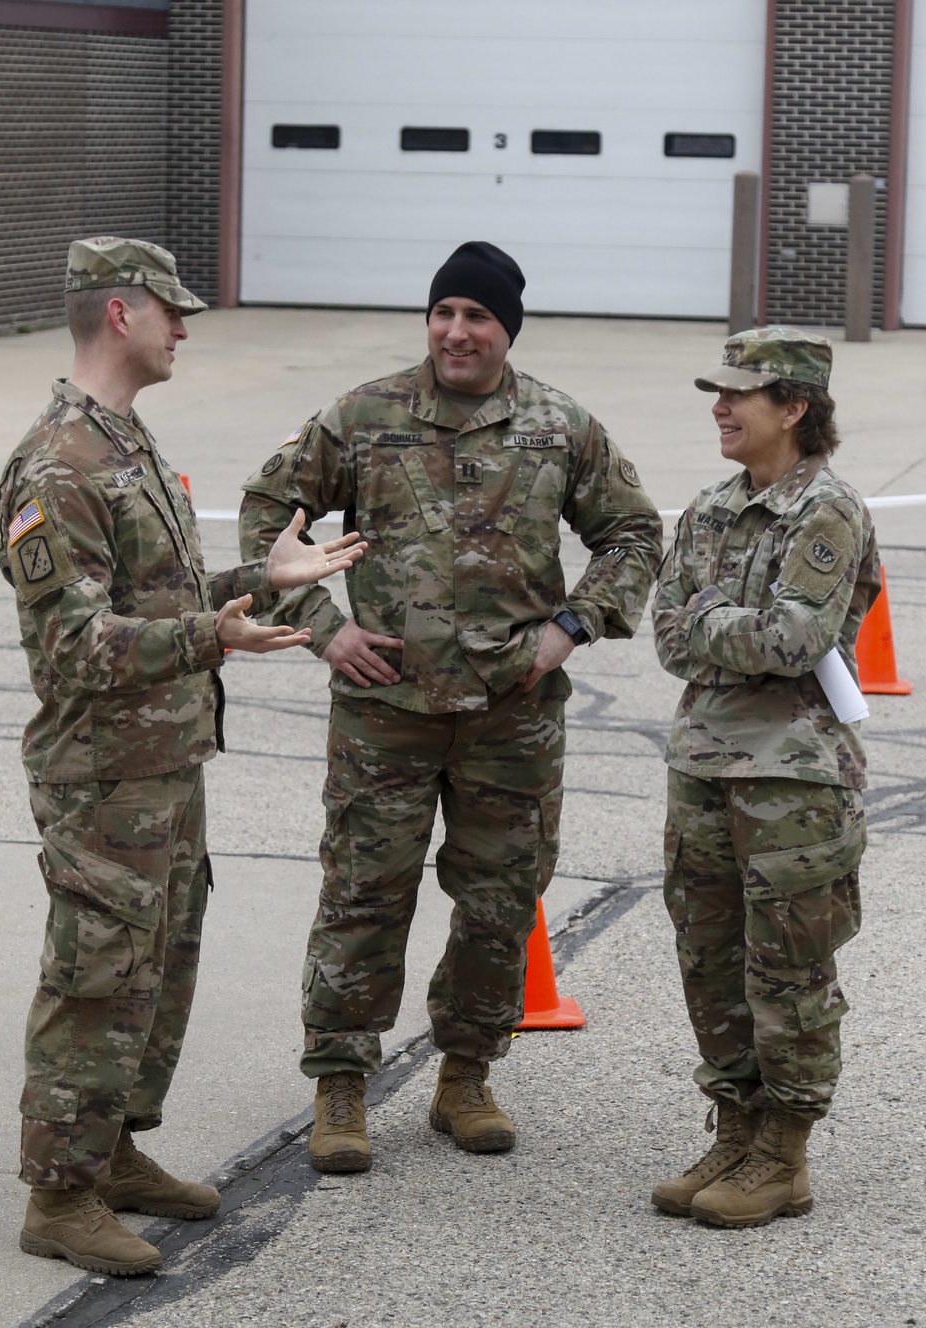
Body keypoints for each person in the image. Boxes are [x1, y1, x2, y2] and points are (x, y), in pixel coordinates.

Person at [239, 240, 662, 1173]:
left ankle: (465, 1073)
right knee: (363, 891)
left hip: (515, 713)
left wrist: (574, 628)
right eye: (444, 313)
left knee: (500, 899)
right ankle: (340, 1083)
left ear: (506, 328)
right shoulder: (362, 417)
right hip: (385, 710)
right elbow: (271, 516)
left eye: (477, 316)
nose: (456, 331)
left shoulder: (560, 425)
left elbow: (633, 533)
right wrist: (320, 626)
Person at [0, 236, 366, 1276]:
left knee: (155, 967)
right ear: (122, 313)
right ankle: (57, 1193)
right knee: (96, 973)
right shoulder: (58, 464)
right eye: (173, 310)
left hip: (159, 765)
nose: (186, 328)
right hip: (103, 773)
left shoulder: (125, 442)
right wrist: (216, 637)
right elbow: (74, 647)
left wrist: (261, 573)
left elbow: (151, 600)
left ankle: (108, 1149)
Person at [651, 327, 880, 1228]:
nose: (720, 405)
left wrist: (713, 619)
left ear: (794, 408)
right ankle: (736, 1125)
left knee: (788, 965)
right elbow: (667, 634)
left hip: (794, 779)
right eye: (717, 390)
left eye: (739, 393)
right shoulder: (711, 508)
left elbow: (795, 640)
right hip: (703, 761)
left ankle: (784, 1152)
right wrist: (723, 622)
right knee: (708, 958)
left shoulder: (827, 511)